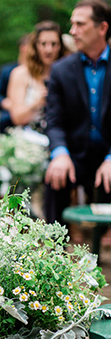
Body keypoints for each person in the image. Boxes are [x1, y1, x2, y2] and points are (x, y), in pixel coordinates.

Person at [45, 0, 111, 225]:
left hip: (109, 155)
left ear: (102, 28)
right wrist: (60, 153)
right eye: (72, 24)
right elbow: (54, 121)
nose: (72, 31)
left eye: (80, 24)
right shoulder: (61, 70)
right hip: (74, 157)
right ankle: (54, 250)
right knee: (54, 174)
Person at [7, 21, 65, 132]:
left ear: (60, 46)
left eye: (54, 44)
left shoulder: (67, 73)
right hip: (30, 139)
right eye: (43, 44)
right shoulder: (20, 74)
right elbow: (17, 118)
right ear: (35, 45)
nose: (49, 50)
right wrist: (38, 102)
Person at [0, 35, 29, 133]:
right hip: (10, 112)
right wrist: (7, 103)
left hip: (31, 111)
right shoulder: (7, 70)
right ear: (23, 48)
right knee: (5, 119)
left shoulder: (39, 72)